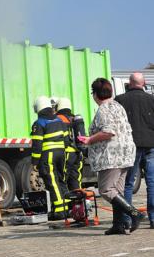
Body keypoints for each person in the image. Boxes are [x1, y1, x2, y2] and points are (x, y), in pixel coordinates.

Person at [81, 78, 144, 235]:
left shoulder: (103, 109)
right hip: (126, 153)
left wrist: (89, 139)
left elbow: (108, 132)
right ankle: (119, 225)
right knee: (118, 190)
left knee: (106, 189)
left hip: (111, 155)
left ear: (95, 94)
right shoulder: (118, 106)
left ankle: (134, 214)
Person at [115, 72, 154, 229]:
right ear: (143, 83)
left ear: (129, 84)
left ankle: (128, 219)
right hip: (151, 145)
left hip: (130, 146)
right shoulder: (152, 100)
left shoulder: (120, 100)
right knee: (152, 183)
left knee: (128, 184)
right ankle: (153, 219)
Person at [31, 96, 69, 220]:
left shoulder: (40, 123)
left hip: (49, 156)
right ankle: (67, 207)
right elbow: (66, 139)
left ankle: (59, 211)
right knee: (61, 180)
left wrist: (35, 162)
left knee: (52, 182)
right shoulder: (59, 120)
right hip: (62, 154)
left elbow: (37, 145)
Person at [56, 97, 84, 191]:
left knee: (62, 180)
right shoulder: (74, 118)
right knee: (75, 180)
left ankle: (64, 203)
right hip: (78, 153)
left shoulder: (58, 119)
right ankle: (77, 204)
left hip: (66, 154)